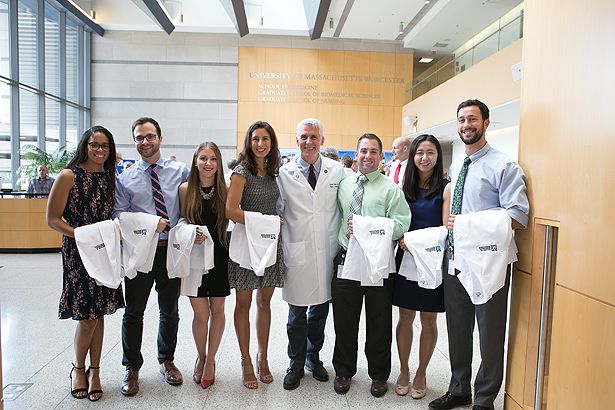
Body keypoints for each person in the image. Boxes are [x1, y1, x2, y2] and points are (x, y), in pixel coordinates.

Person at [428, 99, 529, 410]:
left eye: (472, 119)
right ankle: (459, 389)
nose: (466, 125)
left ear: (486, 123)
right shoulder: (459, 165)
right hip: (456, 260)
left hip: (489, 263)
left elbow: (517, 215)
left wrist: (470, 225)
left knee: (489, 332)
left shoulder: (504, 165)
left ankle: (484, 399)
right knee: (457, 330)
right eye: (461, 120)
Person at [46, 126, 125, 402]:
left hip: (104, 250)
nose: (100, 150)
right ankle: (78, 369)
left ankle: (96, 371)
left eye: (105, 146)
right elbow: (53, 219)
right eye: (95, 145)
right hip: (79, 251)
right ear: (85, 145)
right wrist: (81, 234)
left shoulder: (109, 177)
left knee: (100, 311)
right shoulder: (68, 176)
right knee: (87, 316)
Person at [332, 133, 410, 397]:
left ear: (382, 156)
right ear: (356, 154)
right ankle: (343, 371)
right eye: (363, 151)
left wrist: (368, 227)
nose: (368, 156)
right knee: (344, 321)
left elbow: (401, 225)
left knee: (379, 322)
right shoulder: (344, 184)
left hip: (377, 263)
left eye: (374, 151)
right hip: (346, 258)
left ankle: (378, 375)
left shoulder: (391, 189)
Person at [115, 117, 189, 396]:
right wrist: (147, 222)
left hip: (171, 250)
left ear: (160, 137)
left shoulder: (180, 171)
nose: (144, 142)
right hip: (141, 252)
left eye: (149, 136)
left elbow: (189, 206)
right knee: (134, 312)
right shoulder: (126, 178)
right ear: (134, 141)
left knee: (169, 311)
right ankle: (132, 367)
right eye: (139, 137)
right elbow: (119, 215)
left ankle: (166, 361)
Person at [277, 118, 345, 390]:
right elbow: (278, 208)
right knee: (296, 313)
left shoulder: (337, 170)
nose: (308, 142)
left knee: (320, 312)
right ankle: (294, 363)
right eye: (303, 137)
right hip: (298, 248)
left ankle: (312, 357)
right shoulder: (284, 173)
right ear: (296, 141)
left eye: (313, 137)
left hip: (326, 250)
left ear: (322, 141)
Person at [225, 120, 284, 389]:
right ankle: (246, 360)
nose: (260, 144)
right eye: (255, 139)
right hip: (246, 245)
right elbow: (230, 210)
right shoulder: (241, 172)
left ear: (272, 143)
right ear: (249, 142)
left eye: (265, 139)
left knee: (264, 303)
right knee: (244, 304)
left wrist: (274, 224)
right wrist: (265, 221)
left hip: (270, 245)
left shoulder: (275, 172)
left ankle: (263, 357)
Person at [392, 134, 450, 399]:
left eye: (430, 153)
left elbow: (444, 229)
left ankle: (421, 371)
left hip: (431, 260)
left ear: (437, 157)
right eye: (419, 153)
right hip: (406, 259)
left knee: (428, 318)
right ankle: (403, 369)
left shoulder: (445, 188)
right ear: (412, 156)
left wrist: (413, 240)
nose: (424, 158)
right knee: (405, 316)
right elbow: (397, 221)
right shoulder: (404, 188)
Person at [179, 142, 230, 389]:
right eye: (203, 158)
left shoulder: (226, 190)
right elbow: (179, 222)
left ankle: (211, 360)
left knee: (218, 311)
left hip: (220, 258)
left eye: (213, 159)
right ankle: (201, 356)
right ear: (195, 161)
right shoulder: (185, 189)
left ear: (219, 163)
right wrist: (190, 233)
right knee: (201, 314)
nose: (208, 163)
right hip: (194, 259)